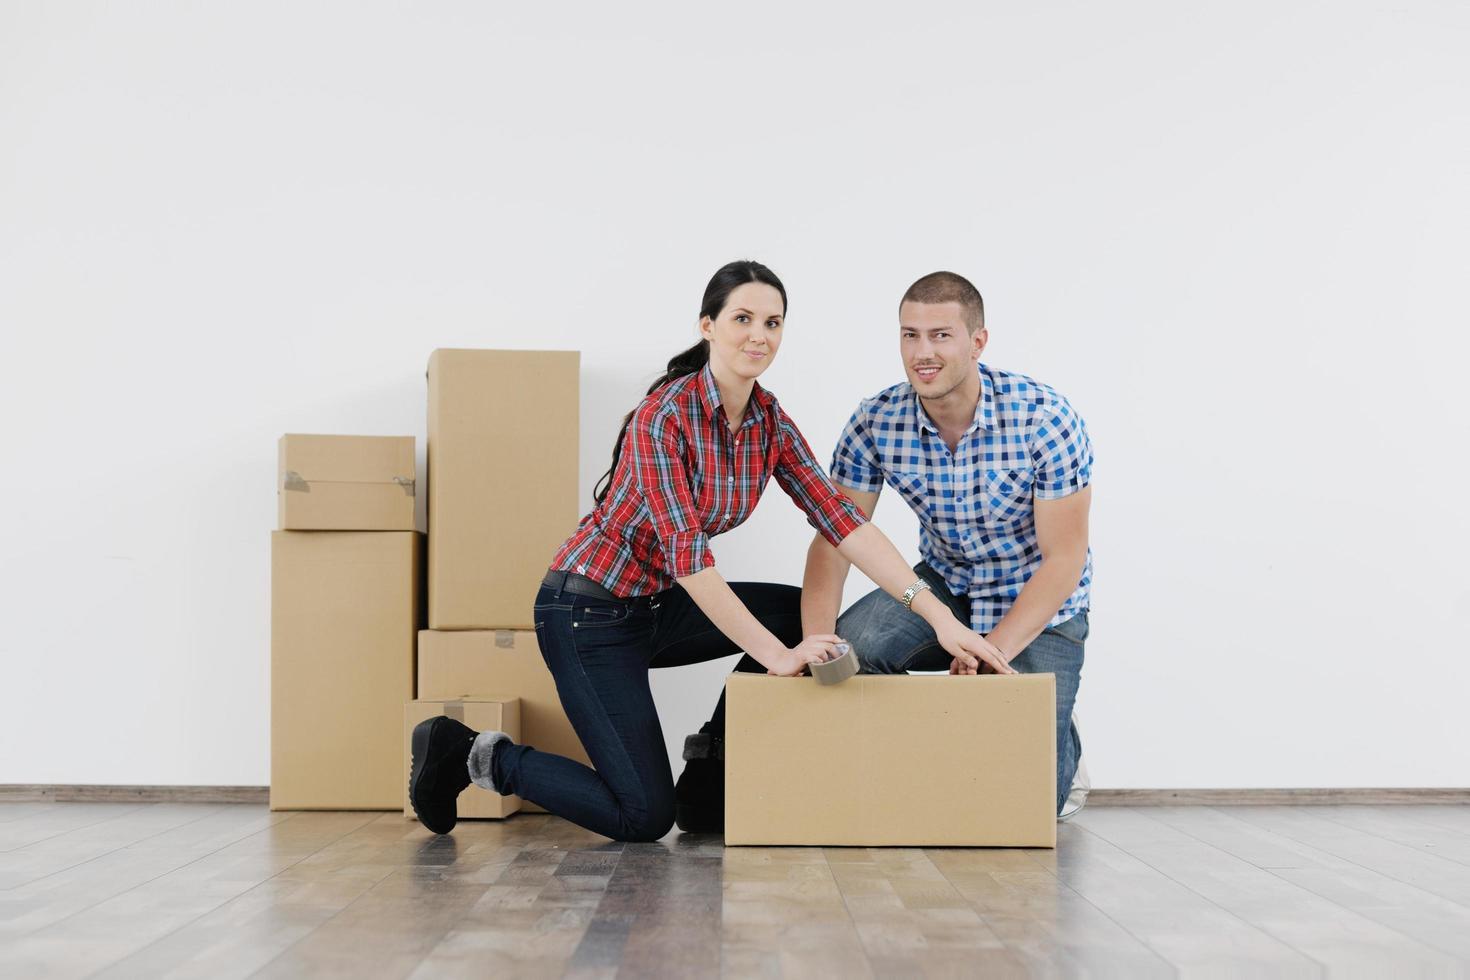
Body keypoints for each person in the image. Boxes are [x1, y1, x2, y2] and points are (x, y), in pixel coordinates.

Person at [408, 260, 1014, 842]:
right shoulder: (662, 418)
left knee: (800, 614)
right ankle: (468, 752)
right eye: (743, 319)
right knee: (643, 817)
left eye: (773, 323)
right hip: (586, 615)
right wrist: (779, 659)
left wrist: (938, 619)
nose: (759, 336)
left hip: (654, 607)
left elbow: (841, 521)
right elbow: (690, 563)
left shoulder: (767, 419)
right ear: (708, 327)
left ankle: (711, 769)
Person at [805, 271, 1094, 819]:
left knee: (1030, 803)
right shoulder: (875, 420)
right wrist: (818, 646)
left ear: (977, 342)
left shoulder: (1045, 418)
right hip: (947, 584)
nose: (922, 352)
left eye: (940, 335)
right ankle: (922, 761)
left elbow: (1065, 560)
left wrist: (994, 654)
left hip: (1038, 602)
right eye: (910, 335)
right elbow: (833, 539)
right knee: (855, 648)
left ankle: (1063, 742)